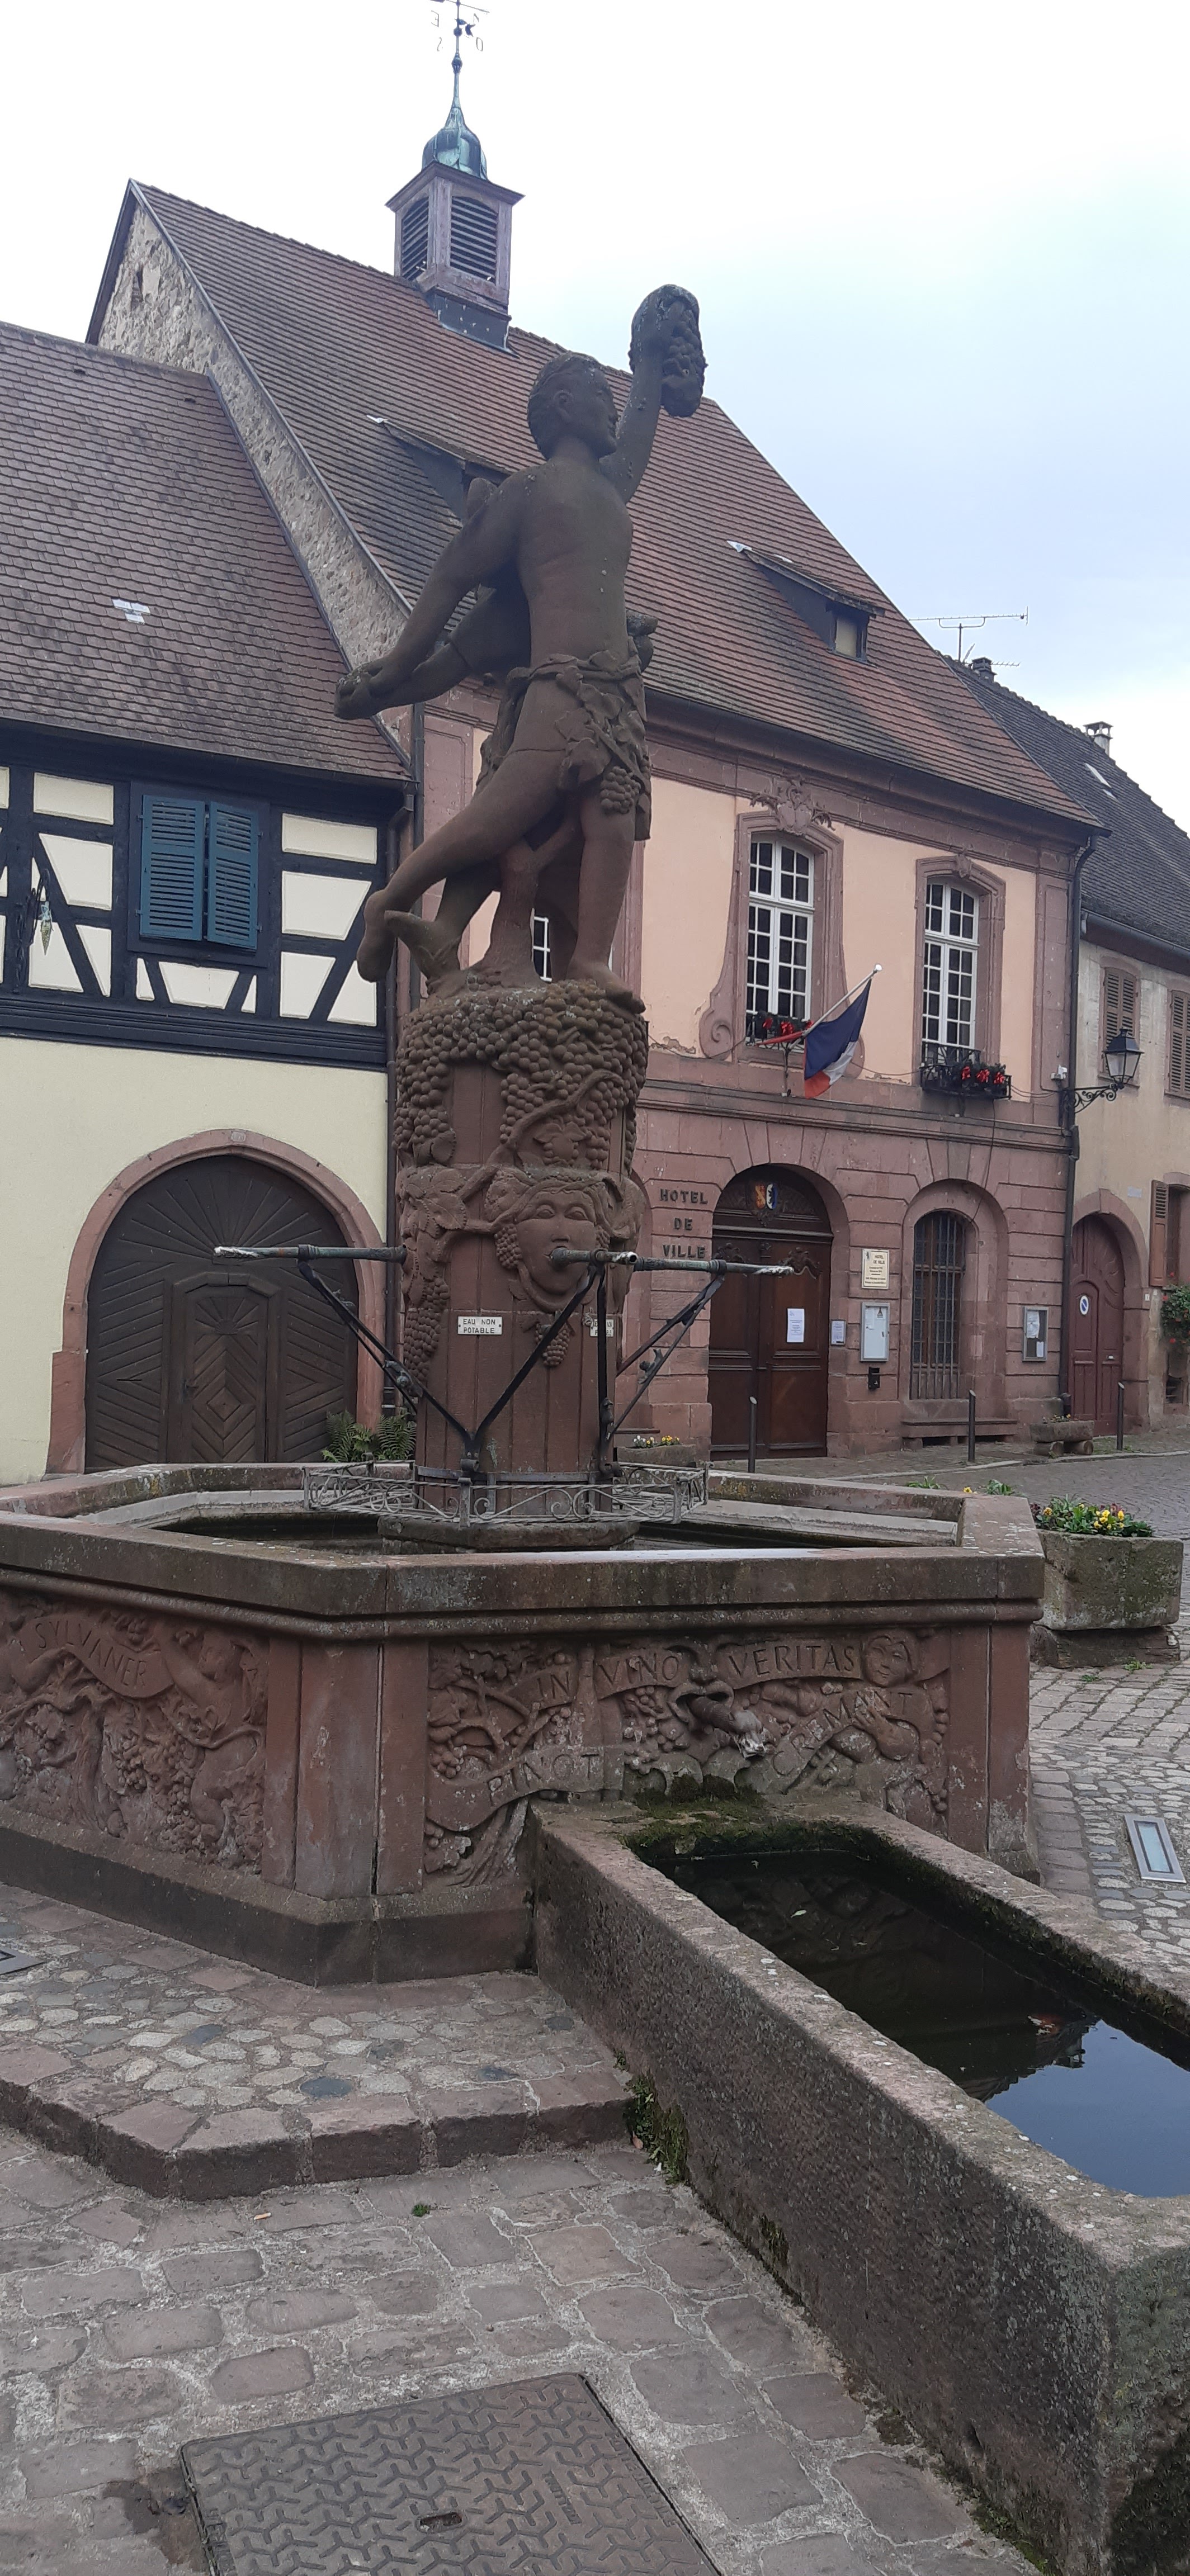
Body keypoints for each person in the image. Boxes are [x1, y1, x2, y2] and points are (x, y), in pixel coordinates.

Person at [336, 285, 704, 1002]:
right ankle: (390, 899)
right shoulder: (528, 494)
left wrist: (650, 357)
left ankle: (589, 961)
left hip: (616, 692)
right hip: (558, 690)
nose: (613, 409)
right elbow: (452, 575)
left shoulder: (609, 486)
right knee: (498, 816)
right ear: (563, 406)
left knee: (614, 818)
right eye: (601, 396)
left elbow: (641, 424)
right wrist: (394, 667)